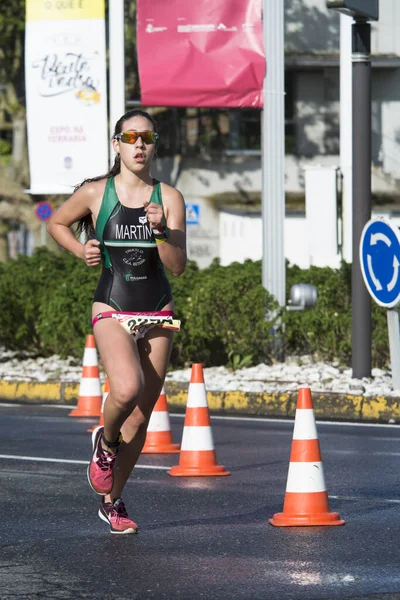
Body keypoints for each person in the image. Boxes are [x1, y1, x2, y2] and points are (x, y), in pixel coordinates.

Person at [47, 109, 187, 534]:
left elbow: (177, 267)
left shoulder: (170, 197)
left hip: (158, 309)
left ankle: (112, 502)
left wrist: (161, 232)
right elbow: (56, 222)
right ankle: (104, 443)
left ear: (154, 144)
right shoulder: (95, 193)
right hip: (111, 304)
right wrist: (79, 249)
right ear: (117, 145)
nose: (139, 145)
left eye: (147, 138)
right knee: (125, 388)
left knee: (141, 419)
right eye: (131, 137)